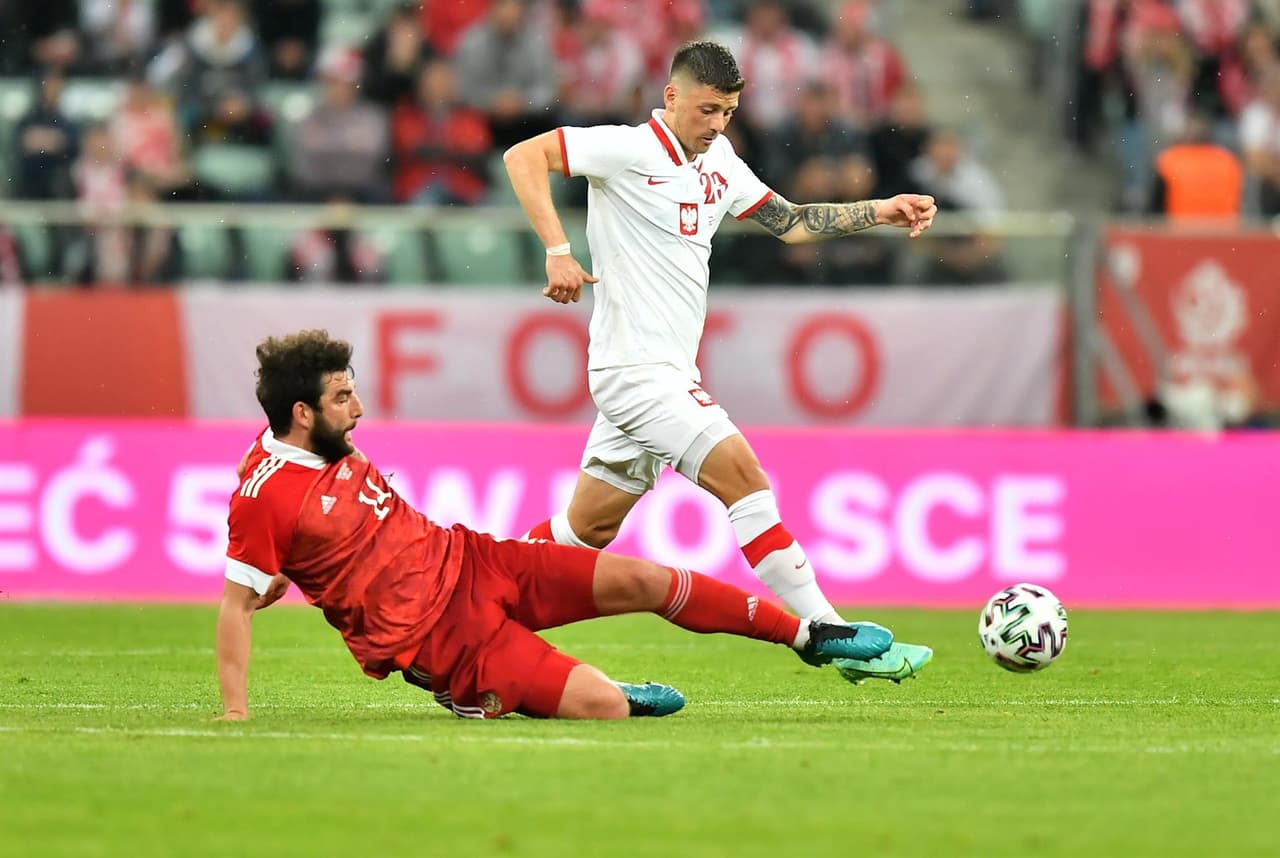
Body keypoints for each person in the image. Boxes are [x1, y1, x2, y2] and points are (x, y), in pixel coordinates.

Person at [216, 330, 932, 722]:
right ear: (302, 414)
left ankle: (807, 636)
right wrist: (236, 714)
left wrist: (288, 570)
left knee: (649, 578)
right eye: (343, 397)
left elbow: (302, 553)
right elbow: (235, 604)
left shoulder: (315, 445)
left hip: (473, 560)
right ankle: (553, 693)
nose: (360, 408)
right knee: (602, 709)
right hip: (441, 639)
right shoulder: (264, 496)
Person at [501, 40, 936, 684]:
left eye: (728, 112)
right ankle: (825, 627)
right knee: (744, 477)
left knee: (586, 529)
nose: (716, 125)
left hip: (665, 373)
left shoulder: (721, 160)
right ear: (671, 96)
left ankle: (483, 607)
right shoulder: (627, 149)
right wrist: (557, 249)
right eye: (707, 110)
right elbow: (523, 154)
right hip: (636, 373)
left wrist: (881, 211)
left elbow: (789, 222)